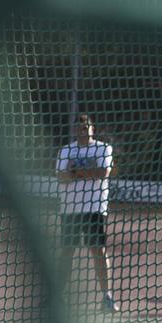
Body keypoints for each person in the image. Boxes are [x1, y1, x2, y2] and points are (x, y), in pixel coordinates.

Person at [56, 114, 118, 312]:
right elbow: (61, 177)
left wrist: (75, 171)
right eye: (79, 126)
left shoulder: (103, 148)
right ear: (75, 129)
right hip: (70, 209)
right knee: (67, 252)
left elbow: (103, 173)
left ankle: (106, 296)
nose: (83, 128)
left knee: (97, 250)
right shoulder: (66, 150)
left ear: (93, 128)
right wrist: (86, 171)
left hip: (94, 207)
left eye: (86, 126)